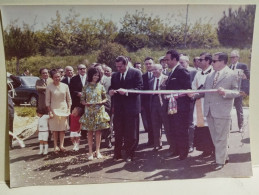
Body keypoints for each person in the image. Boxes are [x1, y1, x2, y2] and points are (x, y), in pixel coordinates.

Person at [190, 52, 240, 170]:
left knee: (221, 138)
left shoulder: (232, 74)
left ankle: (220, 161)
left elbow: (238, 92)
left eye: (214, 61)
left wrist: (226, 92)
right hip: (209, 111)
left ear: (222, 62)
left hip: (222, 111)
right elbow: (205, 91)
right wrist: (193, 94)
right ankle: (223, 157)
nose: (211, 63)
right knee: (215, 138)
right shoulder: (210, 75)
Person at [109, 56, 143, 162]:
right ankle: (117, 153)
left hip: (132, 108)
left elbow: (140, 88)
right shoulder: (114, 75)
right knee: (118, 132)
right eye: (117, 67)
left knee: (131, 133)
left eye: (121, 66)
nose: (119, 69)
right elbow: (112, 87)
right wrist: (110, 91)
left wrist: (127, 91)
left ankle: (130, 154)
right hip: (119, 108)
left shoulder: (136, 73)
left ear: (126, 63)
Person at [164, 49, 191, 161]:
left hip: (181, 107)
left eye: (168, 59)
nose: (166, 62)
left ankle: (183, 153)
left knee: (181, 130)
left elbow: (187, 89)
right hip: (172, 107)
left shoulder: (182, 71)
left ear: (175, 59)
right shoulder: (171, 72)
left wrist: (177, 95)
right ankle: (176, 150)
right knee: (174, 129)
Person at [80, 67, 110, 160]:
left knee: (98, 132)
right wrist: (85, 103)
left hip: (99, 111)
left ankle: (97, 151)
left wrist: (101, 102)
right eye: (94, 75)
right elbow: (82, 100)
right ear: (90, 75)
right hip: (89, 111)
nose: (96, 77)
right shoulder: (86, 87)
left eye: (97, 75)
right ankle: (90, 152)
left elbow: (106, 98)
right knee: (90, 132)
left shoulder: (100, 86)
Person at [191, 52, 214, 157]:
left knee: (211, 127)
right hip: (199, 103)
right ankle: (206, 149)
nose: (198, 61)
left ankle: (214, 149)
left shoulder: (213, 73)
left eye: (201, 60)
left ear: (208, 61)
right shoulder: (198, 73)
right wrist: (194, 93)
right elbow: (193, 86)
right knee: (202, 127)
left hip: (210, 104)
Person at [46, 69, 72, 153]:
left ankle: (61, 145)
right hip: (54, 109)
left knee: (62, 128)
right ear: (52, 78)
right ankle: (55, 146)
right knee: (55, 129)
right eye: (55, 77)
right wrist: (49, 111)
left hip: (63, 109)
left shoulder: (65, 86)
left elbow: (69, 99)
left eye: (59, 76)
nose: (57, 78)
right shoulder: (49, 86)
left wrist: (69, 109)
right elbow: (47, 101)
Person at [149, 64, 169, 151]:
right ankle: (157, 144)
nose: (153, 71)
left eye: (155, 69)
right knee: (155, 125)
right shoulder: (150, 80)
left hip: (164, 104)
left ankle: (171, 144)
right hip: (154, 104)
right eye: (152, 70)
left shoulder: (167, 78)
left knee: (167, 125)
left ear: (161, 70)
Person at [179, 55, 197, 153]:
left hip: (191, 101)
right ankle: (183, 144)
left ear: (187, 62)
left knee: (190, 124)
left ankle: (191, 145)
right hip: (180, 102)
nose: (181, 65)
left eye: (182, 63)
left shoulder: (194, 71)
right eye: (179, 63)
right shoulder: (177, 72)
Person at [229, 50, 250, 133]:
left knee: (239, 109)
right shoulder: (228, 67)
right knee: (229, 109)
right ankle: (229, 127)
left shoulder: (242, 66)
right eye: (231, 57)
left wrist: (245, 76)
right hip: (230, 91)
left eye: (233, 57)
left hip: (239, 90)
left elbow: (248, 76)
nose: (232, 59)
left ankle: (240, 126)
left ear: (237, 57)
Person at [141, 57, 154, 146]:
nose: (148, 65)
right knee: (149, 122)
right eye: (146, 64)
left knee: (158, 123)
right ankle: (151, 140)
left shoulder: (157, 74)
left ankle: (158, 140)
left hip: (157, 103)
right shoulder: (142, 77)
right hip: (146, 104)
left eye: (150, 63)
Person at [7, 73, 21, 149]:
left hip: (8, 109)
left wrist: (10, 75)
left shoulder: (5, 85)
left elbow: (18, 82)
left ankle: (9, 144)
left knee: (9, 126)